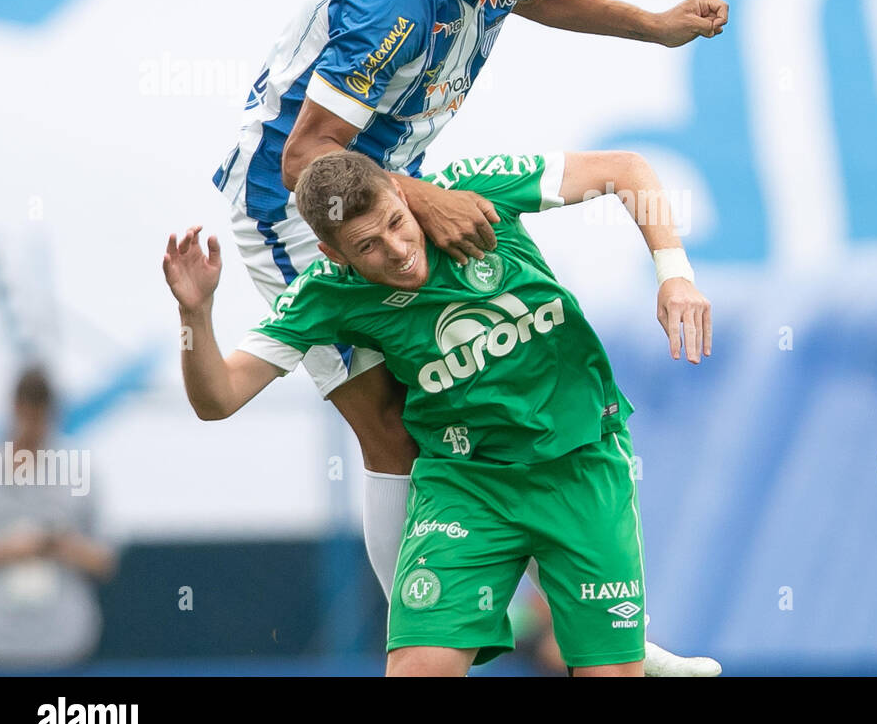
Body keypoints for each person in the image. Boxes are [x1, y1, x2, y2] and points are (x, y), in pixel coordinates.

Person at [210, 0, 727, 676]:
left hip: (390, 184)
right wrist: (424, 198)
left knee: (467, 391)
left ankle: (580, 613)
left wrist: (651, 29)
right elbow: (307, 156)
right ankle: (426, 624)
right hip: (299, 210)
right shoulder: (394, 6)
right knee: (389, 422)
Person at [166, 148, 711, 676]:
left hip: (581, 464)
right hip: (465, 486)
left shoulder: (473, 189)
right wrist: (196, 313)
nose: (398, 249)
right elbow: (219, 399)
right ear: (335, 255)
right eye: (368, 245)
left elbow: (626, 170)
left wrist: (675, 273)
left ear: (403, 195)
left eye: (397, 223)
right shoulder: (325, 294)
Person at [0, 367, 117, 668]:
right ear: (15, 408)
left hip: (65, 640)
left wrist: (58, 544)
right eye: (27, 411)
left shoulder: (79, 471)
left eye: (41, 413)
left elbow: (105, 560)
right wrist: (12, 549)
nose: (34, 425)